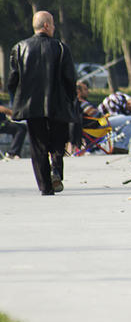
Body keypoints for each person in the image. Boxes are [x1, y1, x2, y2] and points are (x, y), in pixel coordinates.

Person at [8, 11, 78, 195]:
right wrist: (71, 99)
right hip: (58, 104)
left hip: (31, 106)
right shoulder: (61, 48)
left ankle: (45, 187)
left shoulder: (19, 47)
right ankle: (56, 168)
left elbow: (12, 80)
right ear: (46, 25)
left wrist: (16, 99)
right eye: (53, 24)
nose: (54, 28)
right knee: (57, 141)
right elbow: (70, 78)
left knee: (38, 146)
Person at [0, 93, 28, 160]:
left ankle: (13, 152)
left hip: (3, 122)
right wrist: (13, 114)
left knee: (21, 127)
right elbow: (1, 108)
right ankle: (13, 153)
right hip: (1, 123)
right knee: (20, 128)